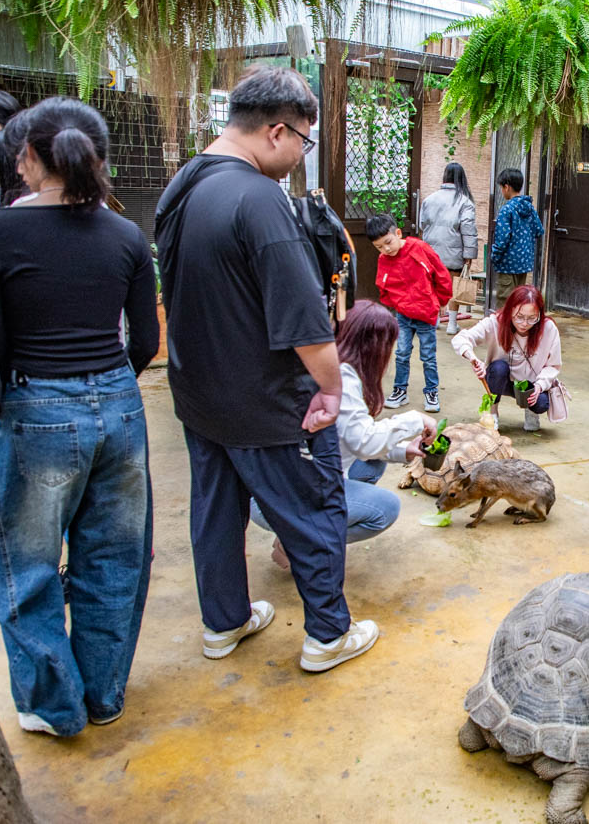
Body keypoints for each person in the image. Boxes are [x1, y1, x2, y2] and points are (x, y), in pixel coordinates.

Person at [155, 65, 378, 674]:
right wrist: (331, 388)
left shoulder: (182, 186)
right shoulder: (261, 201)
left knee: (216, 511)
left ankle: (223, 621)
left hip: (199, 394)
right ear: (277, 131)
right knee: (314, 510)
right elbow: (304, 319)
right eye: (305, 141)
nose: (302, 155)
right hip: (269, 401)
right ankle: (329, 633)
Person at [0, 96, 158, 736]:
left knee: (24, 563)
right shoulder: (128, 236)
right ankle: (103, 696)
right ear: (96, 158)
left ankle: (53, 705)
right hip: (122, 409)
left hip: (36, 405)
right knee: (116, 558)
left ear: (25, 158)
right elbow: (145, 347)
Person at [253, 301, 439, 563]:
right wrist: (415, 419)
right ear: (374, 346)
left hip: (271, 487)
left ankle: (302, 531)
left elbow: (350, 436)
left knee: (373, 464)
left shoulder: (325, 363)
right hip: (287, 498)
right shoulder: (342, 376)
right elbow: (364, 442)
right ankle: (301, 542)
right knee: (385, 509)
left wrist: (402, 450)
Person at [452, 284, 565, 432]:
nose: (525, 324)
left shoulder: (548, 328)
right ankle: (493, 412)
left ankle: (530, 411)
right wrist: (473, 359)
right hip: (502, 380)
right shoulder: (496, 322)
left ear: (540, 314)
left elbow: (553, 365)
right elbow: (461, 338)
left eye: (532, 318)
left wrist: (539, 386)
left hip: (529, 384)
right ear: (510, 309)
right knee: (498, 368)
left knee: (542, 403)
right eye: (519, 317)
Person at [370, 213, 453, 413]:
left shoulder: (419, 248)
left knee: (428, 356)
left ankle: (431, 391)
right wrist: (396, 304)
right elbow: (383, 285)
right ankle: (400, 390)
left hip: (426, 313)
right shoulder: (384, 259)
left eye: (388, 243)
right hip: (403, 315)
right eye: (379, 247)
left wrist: (440, 301)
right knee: (401, 353)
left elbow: (441, 274)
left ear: (398, 233)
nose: (386, 249)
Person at [419, 162, 478, 336]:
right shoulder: (464, 202)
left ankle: (435, 320)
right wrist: (469, 255)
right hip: (454, 252)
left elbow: (422, 224)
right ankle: (452, 324)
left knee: (433, 285)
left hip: (430, 251)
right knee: (454, 286)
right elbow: (468, 231)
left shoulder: (429, 199)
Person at [490, 168, 543, 308]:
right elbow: (539, 230)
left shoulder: (506, 210)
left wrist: (494, 256)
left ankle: (504, 330)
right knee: (518, 303)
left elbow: (502, 240)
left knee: (505, 305)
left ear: (507, 187)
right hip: (523, 264)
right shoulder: (529, 208)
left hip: (507, 265)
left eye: (502, 187)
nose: (502, 191)